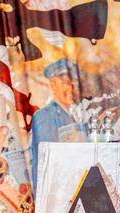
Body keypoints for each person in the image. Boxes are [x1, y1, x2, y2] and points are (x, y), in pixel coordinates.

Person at [31, 58, 83, 194]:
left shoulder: (75, 114)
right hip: (57, 193)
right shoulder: (44, 116)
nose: (71, 88)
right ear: (53, 85)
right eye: (65, 83)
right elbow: (47, 161)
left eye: (73, 84)